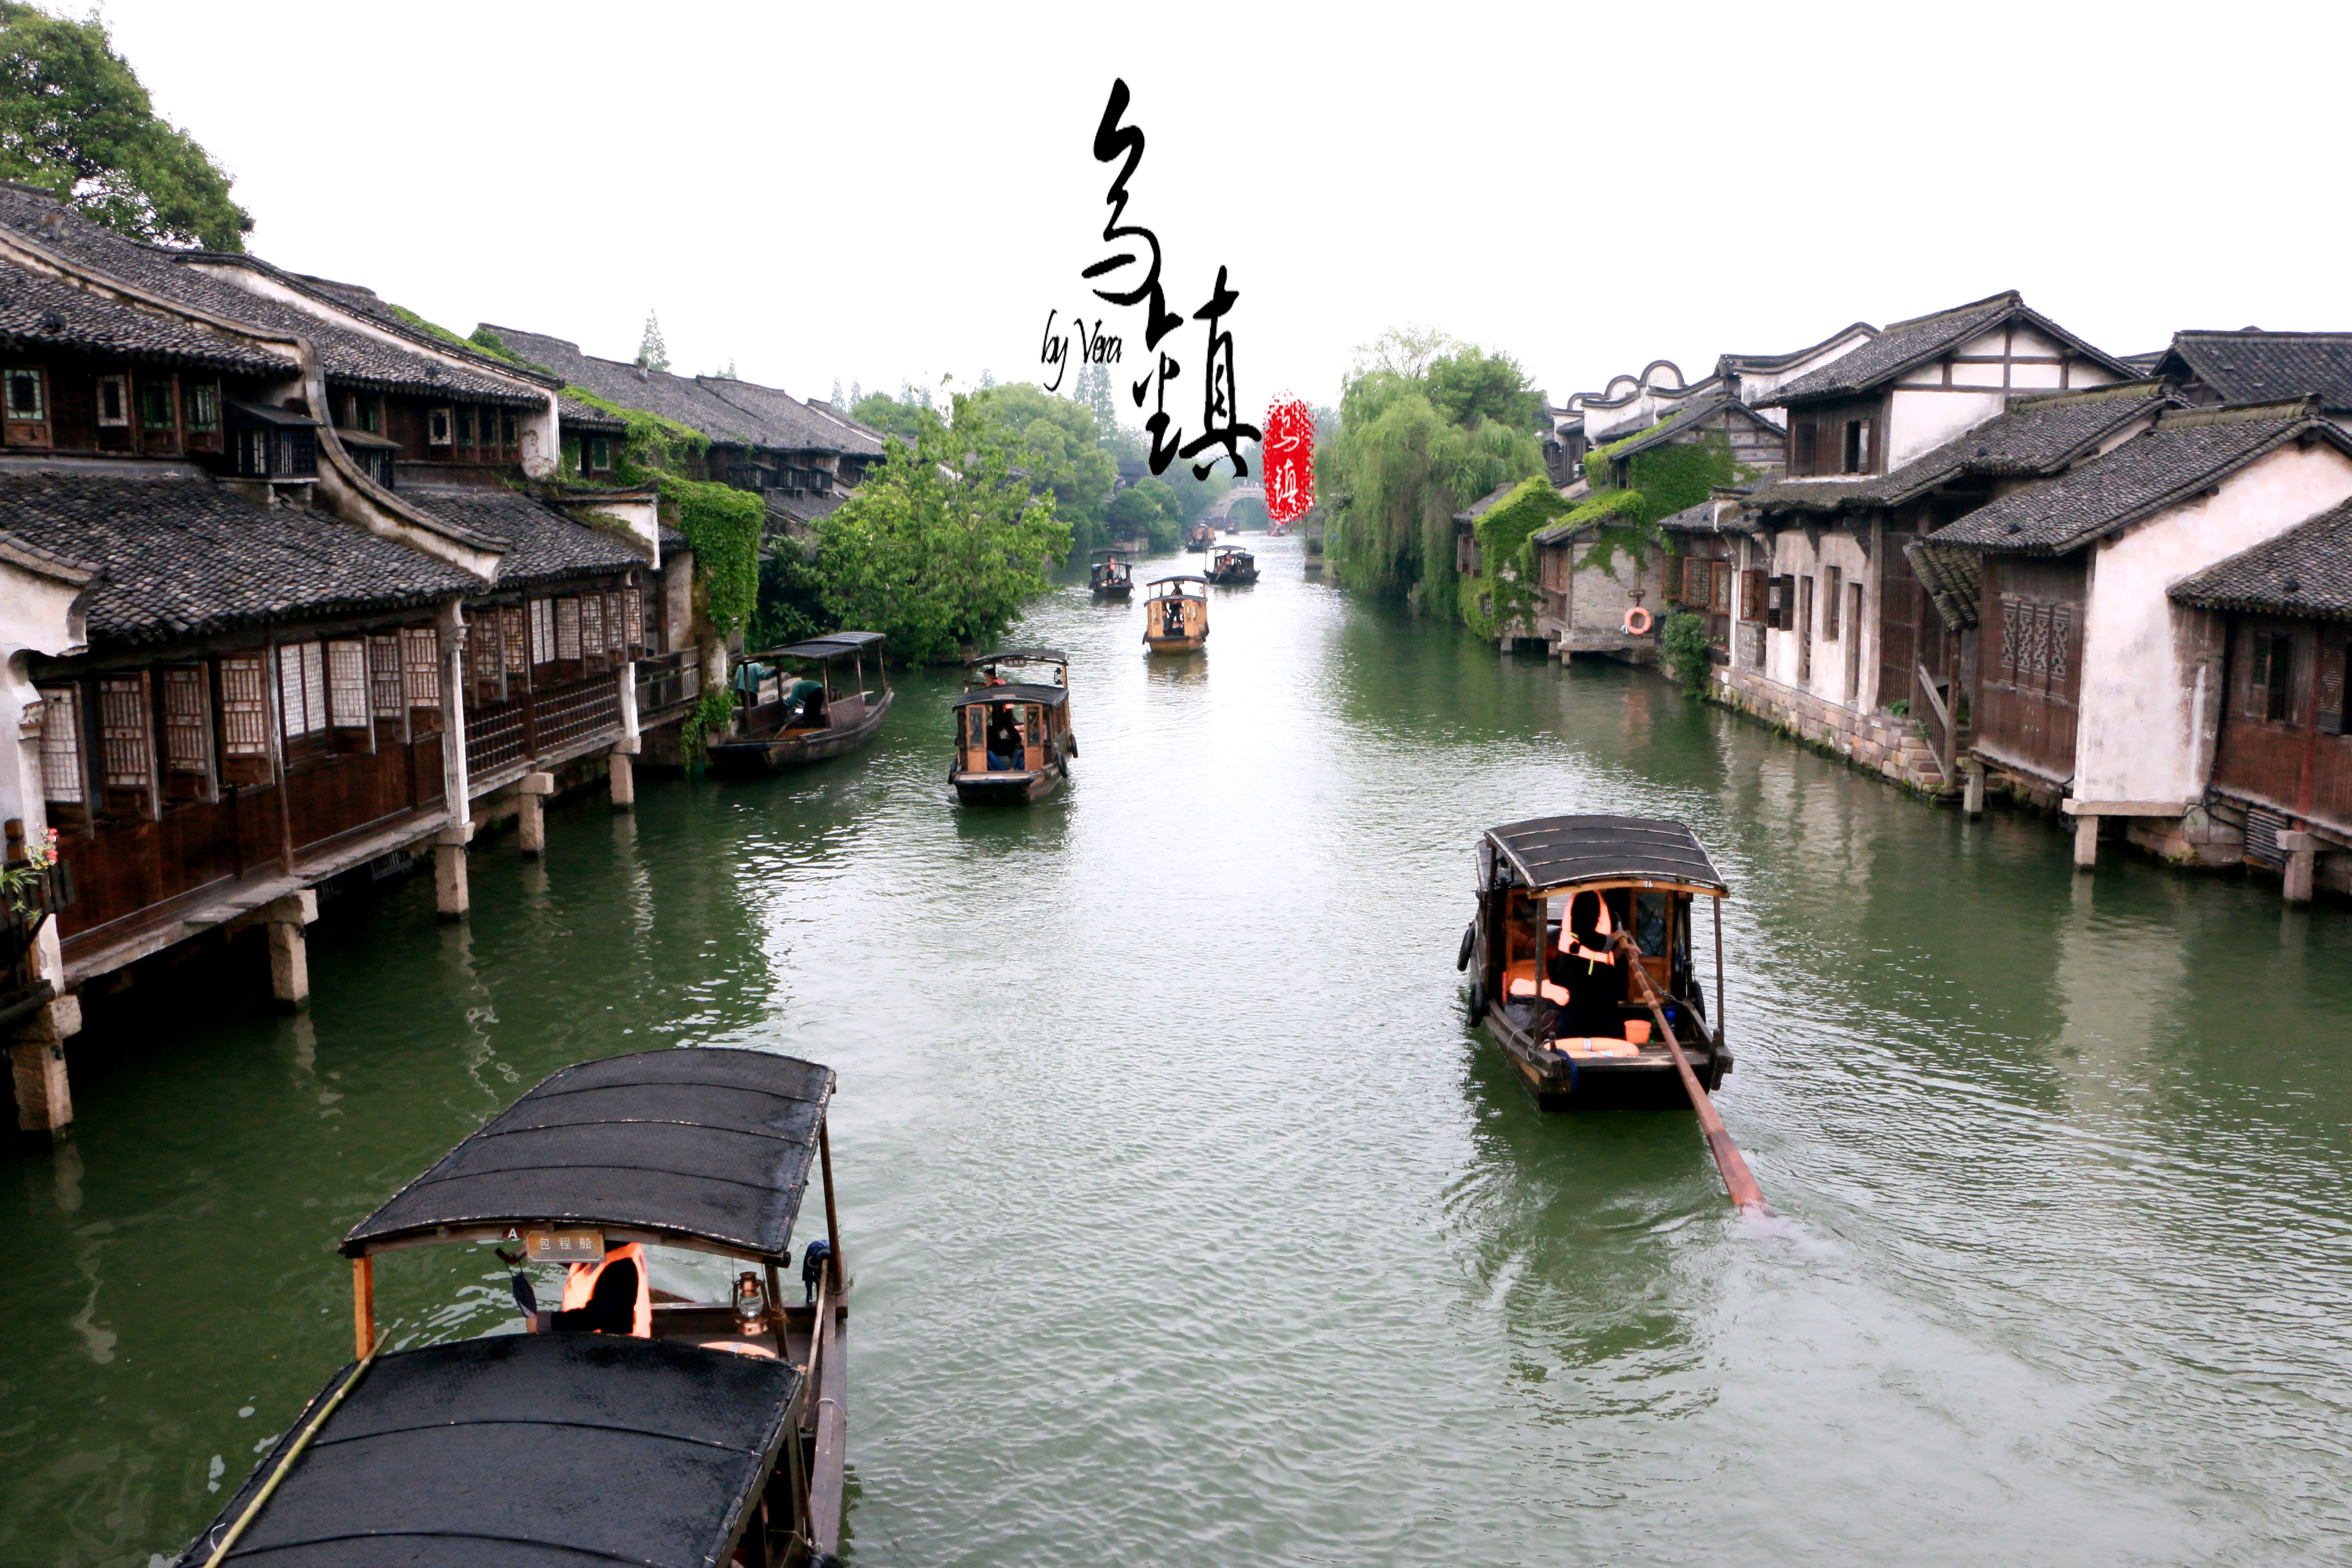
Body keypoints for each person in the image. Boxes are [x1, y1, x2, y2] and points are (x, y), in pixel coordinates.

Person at [986, 704, 1023, 770]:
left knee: (989, 753)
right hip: (1012, 770)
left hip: (1008, 771)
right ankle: (1009, 770)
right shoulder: (1007, 721)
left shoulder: (1006, 721)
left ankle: (1006, 770)